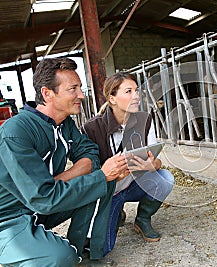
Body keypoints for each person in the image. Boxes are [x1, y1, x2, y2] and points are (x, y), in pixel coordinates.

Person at [0, 58, 128, 267]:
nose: (81, 95)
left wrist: (65, 178)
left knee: (101, 183)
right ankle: (17, 251)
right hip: (9, 217)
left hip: (40, 205)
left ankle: (84, 251)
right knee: (60, 258)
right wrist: (97, 175)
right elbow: (43, 198)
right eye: (73, 89)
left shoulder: (64, 123)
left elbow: (89, 152)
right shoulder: (15, 133)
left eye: (80, 88)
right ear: (47, 93)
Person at [81, 72, 175, 256]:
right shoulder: (91, 129)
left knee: (165, 178)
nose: (136, 95)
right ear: (112, 99)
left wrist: (151, 166)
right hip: (108, 192)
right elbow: (89, 175)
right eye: (128, 91)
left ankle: (142, 219)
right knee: (100, 250)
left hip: (134, 184)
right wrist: (113, 174)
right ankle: (116, 213)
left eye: (136, 91)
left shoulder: (145, 120)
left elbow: (156, 160)